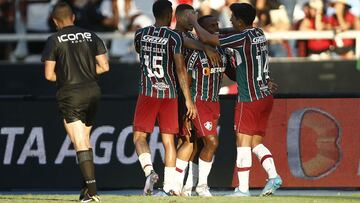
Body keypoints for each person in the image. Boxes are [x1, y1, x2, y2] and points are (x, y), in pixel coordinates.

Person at [188, 2, 282, 196]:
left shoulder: (240, 39)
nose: (229, 20)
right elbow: (232, 30)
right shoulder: (258, 33)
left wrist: (194, 23)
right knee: (255, 143)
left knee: (242, 143)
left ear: (239, 21)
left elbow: (206, 38)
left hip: (249, 97)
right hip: (265, 94)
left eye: (232, 18)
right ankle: (273, 176)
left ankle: (243, 189)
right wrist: (221, 28)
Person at [41, 2, 109, 202]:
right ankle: (86, 191)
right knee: (85, 142)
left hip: (71, 94)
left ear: (55, 21)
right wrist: (85, 75)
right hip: (93, 92)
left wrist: (69, 77)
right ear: (73, 17)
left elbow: (48, 75)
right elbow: (104, 66)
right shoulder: (91, 36)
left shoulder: (54, 40)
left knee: (79, 143)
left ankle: (93, 192)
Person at [132, 0, 197, 196]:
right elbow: (180, 68)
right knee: (169, 141)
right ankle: (170, 186)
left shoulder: (140, 34)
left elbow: (139, 51)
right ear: (169, 14)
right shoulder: (174, 37)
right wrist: (187, 99)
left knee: (139, 136)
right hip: (169, 93)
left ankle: (149, 171)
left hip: (148, 92)